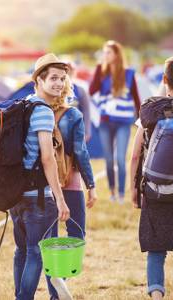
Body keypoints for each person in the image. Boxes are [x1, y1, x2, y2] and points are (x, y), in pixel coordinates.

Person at [130, 55, 173, 300]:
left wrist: (133, 190)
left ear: (164, 79)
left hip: (153, 189)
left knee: (156, 250)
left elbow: (135, 155)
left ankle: (157, 295)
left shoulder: (149, 113)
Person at [9, 53, 70, 300]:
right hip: (39, 197)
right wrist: (60, 198)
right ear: (39, 80)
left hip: (16, 194)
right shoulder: (43, 111)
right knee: (35, 253)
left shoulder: (24, 104)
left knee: (21, 252)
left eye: (63, 79)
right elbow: (48, 158)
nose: (59, 84)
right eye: (53, 78)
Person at [45, 72, 97, 300]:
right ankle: (60, 283)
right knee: (76, 234)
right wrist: (91, 185)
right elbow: (80, 152)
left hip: (44, 185)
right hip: (70, 182)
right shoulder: (73, 114)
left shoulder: (37, 112)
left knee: (49, 241)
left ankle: (55, 290)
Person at [89, 40, 141, 203]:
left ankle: (121, 194)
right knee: (109, 159)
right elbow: (91, 91)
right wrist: (98, 69)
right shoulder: (101, 72)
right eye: (104, 53)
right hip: (105, 121)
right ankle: (111, 191)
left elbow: (136, 97)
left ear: (117, 54)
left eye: (108, 52)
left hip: (124, 121)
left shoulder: (129, 73)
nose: (105, 55)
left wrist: (142, 118)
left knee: (120, 158)